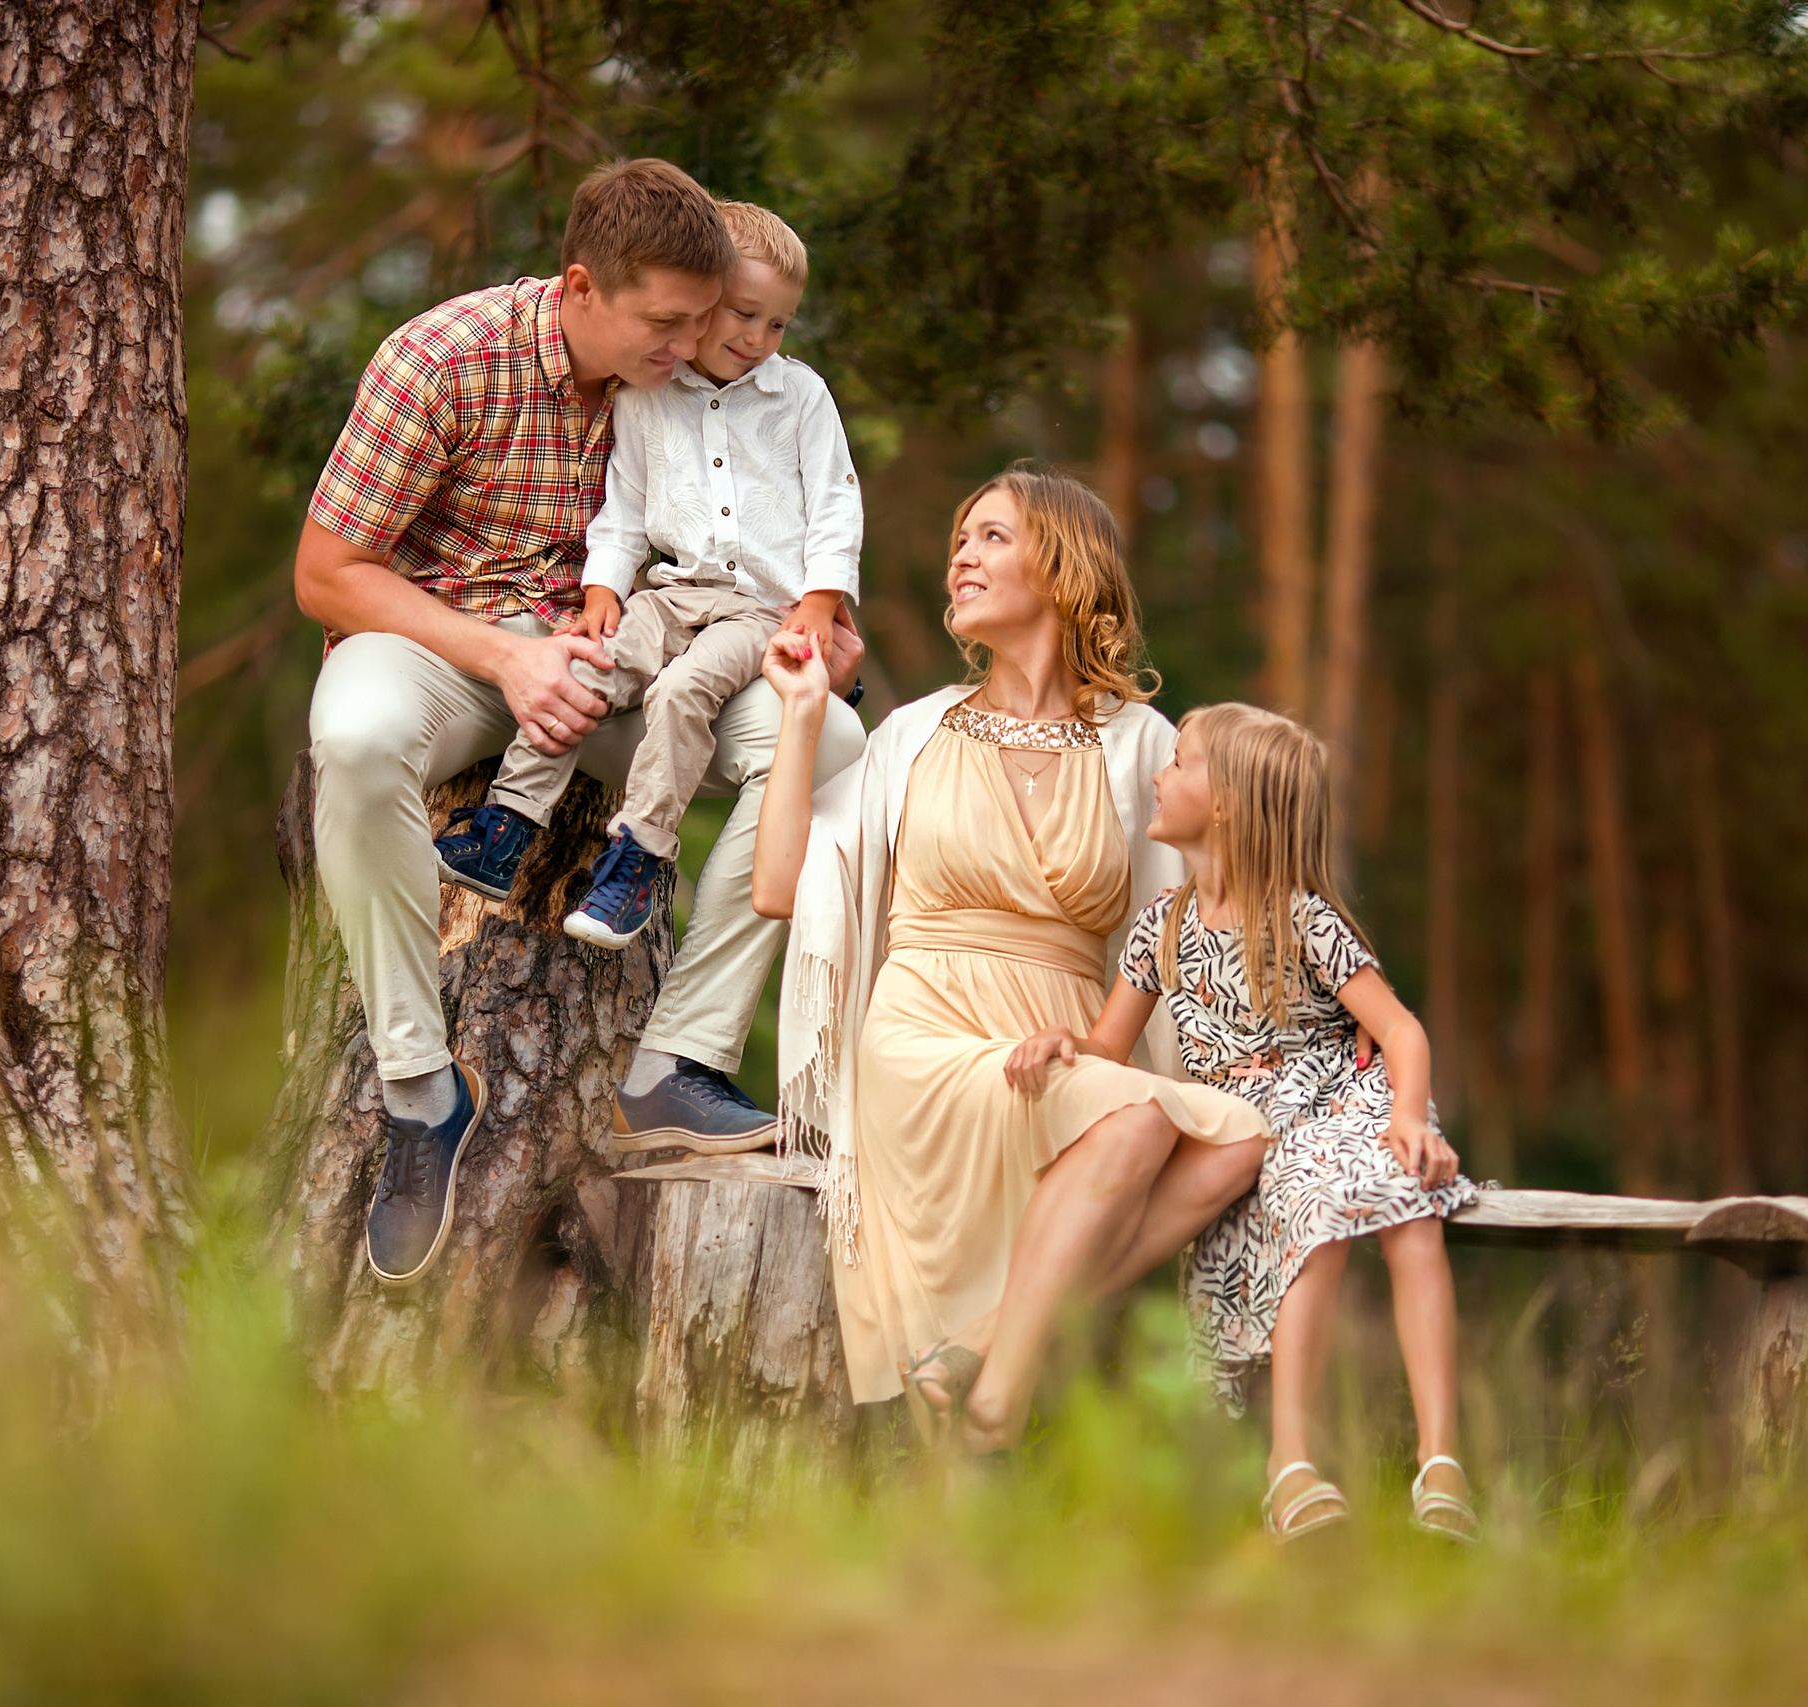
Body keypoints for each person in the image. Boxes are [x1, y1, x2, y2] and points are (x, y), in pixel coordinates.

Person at [297, 159, 865, 1289]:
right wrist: (502, 654)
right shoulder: (443, 360)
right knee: (355, 745)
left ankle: (676, 1061)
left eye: (709, 321)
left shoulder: (700, 378)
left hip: (626, 670)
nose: (694, 344)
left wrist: (823, 634)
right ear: (579, 287)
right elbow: (325, 574)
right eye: (667, 322)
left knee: (834, 756)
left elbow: (779, 530)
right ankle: (420, 1091)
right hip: (453, 654)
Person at [748, 466, 1269, 1439]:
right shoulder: (911, 733)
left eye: (990, 536)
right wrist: (805, 713)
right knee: (1135, 1126)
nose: (961, 555)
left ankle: (986, 1347)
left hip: (1068, 1047)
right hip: (925, 1040)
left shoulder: (1139, 742)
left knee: (1239, 1133)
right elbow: (779, 888)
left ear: (1063, 568)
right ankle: (995, 1397)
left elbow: (1198, 919)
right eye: (959, 537)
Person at [1004, 704, 1481, 1543]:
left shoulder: (1299, 916)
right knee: (1314, 1212)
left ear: (1223, 804)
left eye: (1179, 762)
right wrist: (1063, 1043)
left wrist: (1410, 1118)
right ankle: (1290, 1464)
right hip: (1256, 1125)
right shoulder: (1165, 926)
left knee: (1407, 1211)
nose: (1160, 772)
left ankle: (1442, 1463)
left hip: (1346, 1098)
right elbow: (1109, 1046)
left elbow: (1400, 1029)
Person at [435, 198, 862, 986]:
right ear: (700, 306)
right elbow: (624, 507)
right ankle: (506, 827)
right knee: (589, 664)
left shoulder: (799, 397)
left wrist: (819, 603)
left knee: (682, 691)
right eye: (742, 314)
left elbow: (837, 503)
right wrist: (601, 589)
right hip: (670, 593)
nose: (758, 339)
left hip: (757, 610)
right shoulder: (645, 399)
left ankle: (638, 857)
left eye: (778, 324)